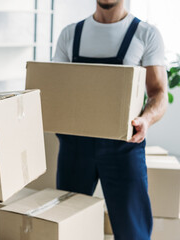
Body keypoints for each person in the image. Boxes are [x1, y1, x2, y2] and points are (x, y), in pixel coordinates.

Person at [53, 0, 167, 239]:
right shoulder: (70, 34)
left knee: (132, 232)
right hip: (75, 146)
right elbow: (57, 89)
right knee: (68, 226)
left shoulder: (145, 34)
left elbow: (158, 92)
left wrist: (146, 120)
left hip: (124, 145)